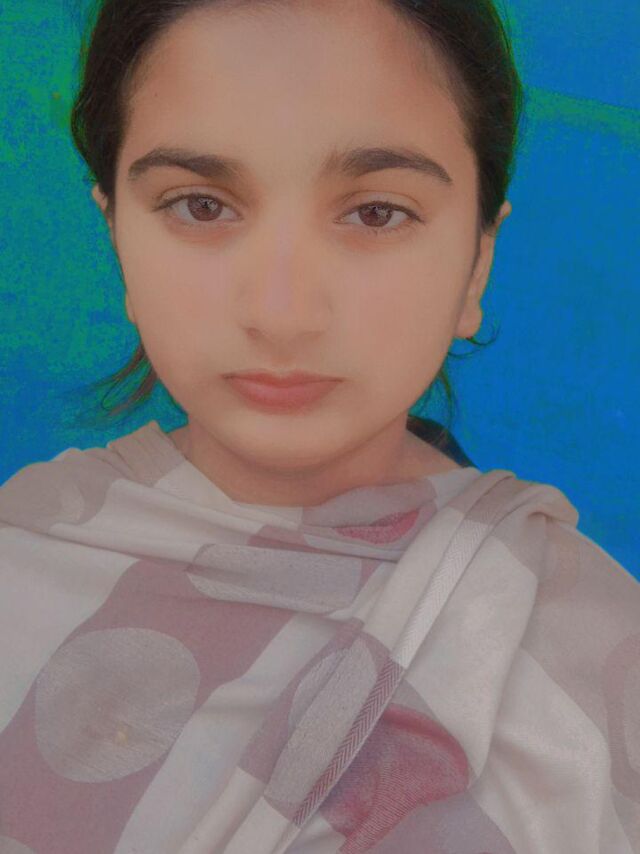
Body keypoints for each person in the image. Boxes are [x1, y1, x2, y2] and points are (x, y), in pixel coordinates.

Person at [0, 1, 638, 852]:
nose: (282, 311)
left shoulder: (596, 650)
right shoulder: (16, 562)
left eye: (376, 213)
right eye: (200, 206)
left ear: (477, 260)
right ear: (116, 231)